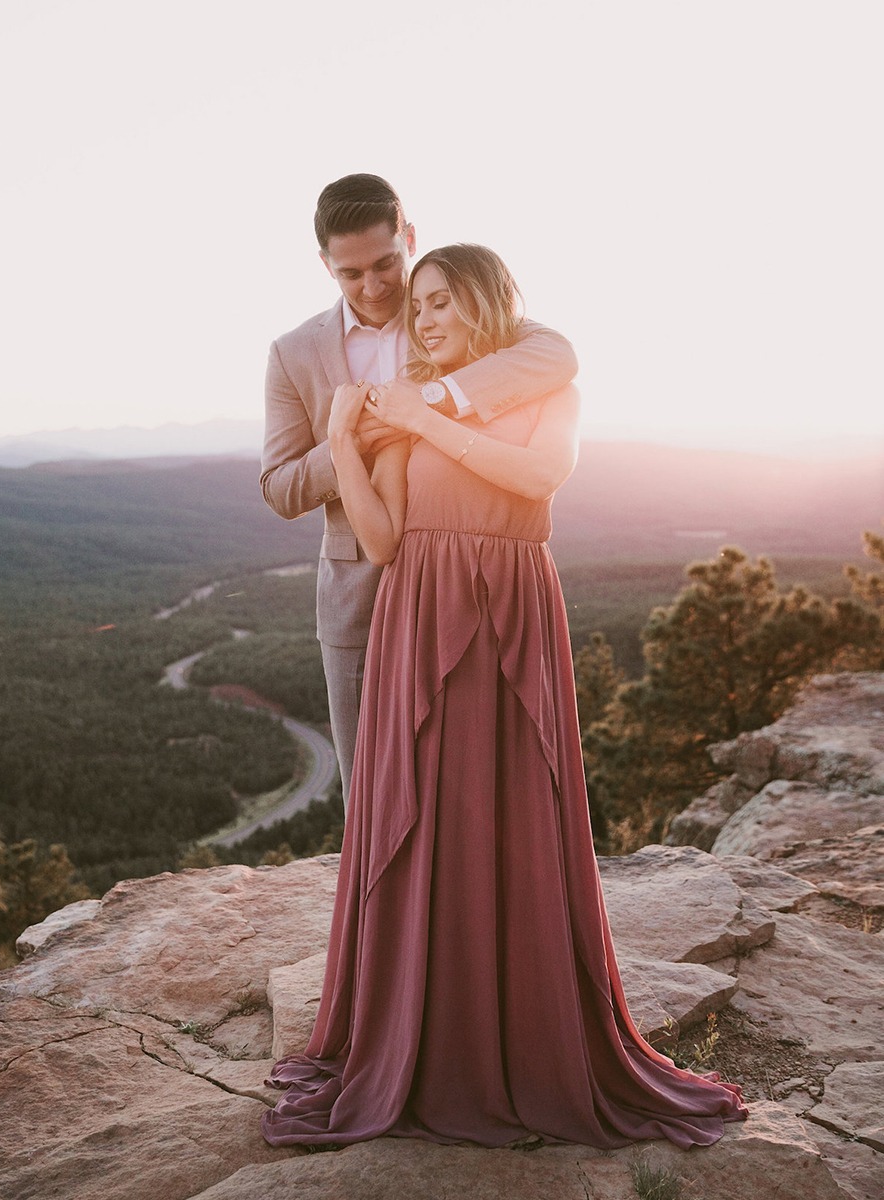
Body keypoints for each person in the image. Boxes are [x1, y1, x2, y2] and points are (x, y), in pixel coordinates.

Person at [260, 244, 748, 1149]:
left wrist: (427, 415)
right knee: (425, 810)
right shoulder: (410, 410)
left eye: (441, 302)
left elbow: (538, 478)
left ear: (482, 302)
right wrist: (342, 444)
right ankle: (424, 1031)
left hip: (513, 609)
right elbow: (379, 541)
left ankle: (525, 1034)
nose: (425, 320)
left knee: (516, 810)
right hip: (420, 616)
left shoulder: (537, 389)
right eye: (418, 309)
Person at [260, 174, 578, 801]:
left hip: (468, 583)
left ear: (408, 239)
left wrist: (428, 403)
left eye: (386, 264)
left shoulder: (447, 308)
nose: (373, 287)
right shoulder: (292, 352)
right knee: (371, 786)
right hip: (359, 581)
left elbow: (556, 356)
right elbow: (279, 488)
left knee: (470, 775)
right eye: (351, 274)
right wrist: (359, 437)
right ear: (324, 264)